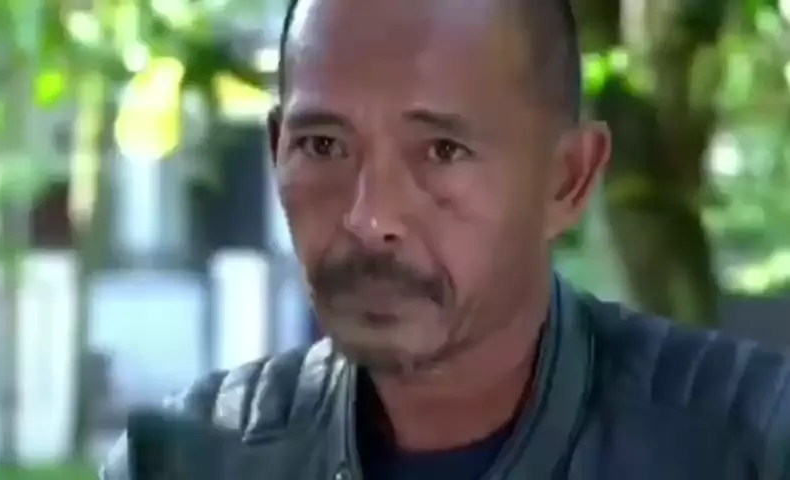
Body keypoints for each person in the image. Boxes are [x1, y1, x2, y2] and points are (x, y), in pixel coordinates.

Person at [101, 0, 790, 478]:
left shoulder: (751, 445)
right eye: (323, 145)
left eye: (442, 151)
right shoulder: (184, 463)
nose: (369, 217)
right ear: (277, 148)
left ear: (568, 180)